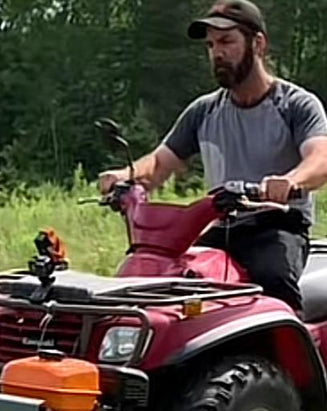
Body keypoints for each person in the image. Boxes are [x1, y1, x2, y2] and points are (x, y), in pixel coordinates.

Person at [98, 0, 327, 316]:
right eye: (210, 45)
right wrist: (126, 175)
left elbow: (320, 159)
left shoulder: (296, 105)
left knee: (273, 284)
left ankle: (284, 364)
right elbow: (160, 163)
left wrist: (290, 181)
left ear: (258, 44)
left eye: (227, 41)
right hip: (221, 225)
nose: (217, 53)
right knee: (173, 277)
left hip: (277, 227)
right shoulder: (204, 111)